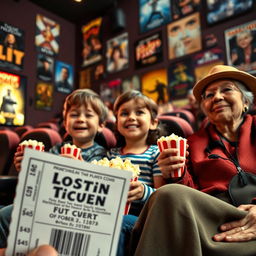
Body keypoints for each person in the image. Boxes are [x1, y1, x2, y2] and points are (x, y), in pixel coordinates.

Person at [129, 65, 256, 255]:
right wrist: (176, 174)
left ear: (245, 101)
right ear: (204, 107)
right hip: (213, 221)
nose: (217, 97)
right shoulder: (192, 143)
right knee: (168, 193)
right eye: (209, 95)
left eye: (227, 89)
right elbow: (188, 197)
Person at [0, 88, 109, 249]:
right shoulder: (57, 149)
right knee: (3, 215)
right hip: (43, 203)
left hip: (74, 212)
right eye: (74, 115)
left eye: (88, 115)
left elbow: (98, 190)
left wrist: (80, 169)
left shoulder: (101, 155)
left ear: (101, 125)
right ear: (65, 123)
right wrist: (28, 167)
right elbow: (38, 182)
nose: (80, 119)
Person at [109, 90, 166, 255]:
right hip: (109, 213)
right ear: (117, 123)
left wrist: (142, 192)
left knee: (117, 223)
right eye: (124, 113)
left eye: (139, 112)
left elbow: (161, 196)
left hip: (141, 219)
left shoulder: (156, 154)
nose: (131, 117)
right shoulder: (111, 155)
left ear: (153, 123)